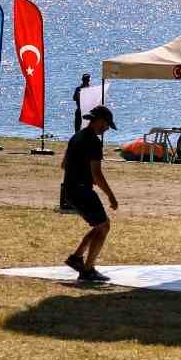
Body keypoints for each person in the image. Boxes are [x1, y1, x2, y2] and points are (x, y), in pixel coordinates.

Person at [61, 104, 119, 284]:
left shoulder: (76, 136)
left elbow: (64, 164)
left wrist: (81, 171)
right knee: (104, 226)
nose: (107, 128)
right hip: (81, 190)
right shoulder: (93, 141)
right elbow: (97, 173)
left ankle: (76, 258)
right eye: (107, 124)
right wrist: (110, 195)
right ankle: (87, 270)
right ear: (99, 121)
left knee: (99, 225)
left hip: (68, 189)